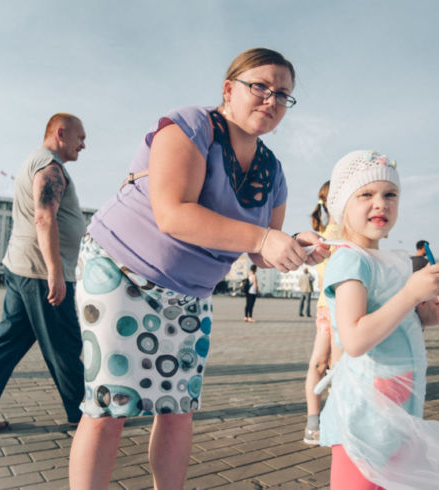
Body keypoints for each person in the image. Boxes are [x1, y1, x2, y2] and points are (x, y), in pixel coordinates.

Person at [67, 48, 329, 490]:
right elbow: (173, 214)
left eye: (283, 94)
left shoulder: (273, 172)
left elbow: (261, 254)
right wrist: (263, 238)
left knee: (178, 408)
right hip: (120, 272)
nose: (271, 99)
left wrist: (296, 248)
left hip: (189, 293)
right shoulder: (191, 125)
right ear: (229, 90)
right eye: (260, 86)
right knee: (110, 406)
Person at [318, 150, 439, 489]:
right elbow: (354, 339)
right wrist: (409, 295)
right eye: (366, 194)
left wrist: (422, 315)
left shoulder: (387, 259)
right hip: (363, 418)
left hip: (396, 413)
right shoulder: (350, 262)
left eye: (390, 195)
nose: (380, 203)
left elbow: (391, 320)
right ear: (342, 204)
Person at [0, 114, 87, 435]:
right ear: (61, 133)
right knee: (64, 345)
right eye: (81, 137)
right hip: (40, 273)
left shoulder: (38, 162)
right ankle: (85, 416)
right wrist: (54, 271)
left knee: (7, 344)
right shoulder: (49, 167)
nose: (84, 144)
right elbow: (44, 217)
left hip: (24, 267)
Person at [303, 181, 343, 445]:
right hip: (329, 306)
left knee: (331, 365)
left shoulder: (342, 232)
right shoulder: (329, 234)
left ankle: (325, 421)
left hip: (341, 305)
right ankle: (316, 422)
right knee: (325, 364)